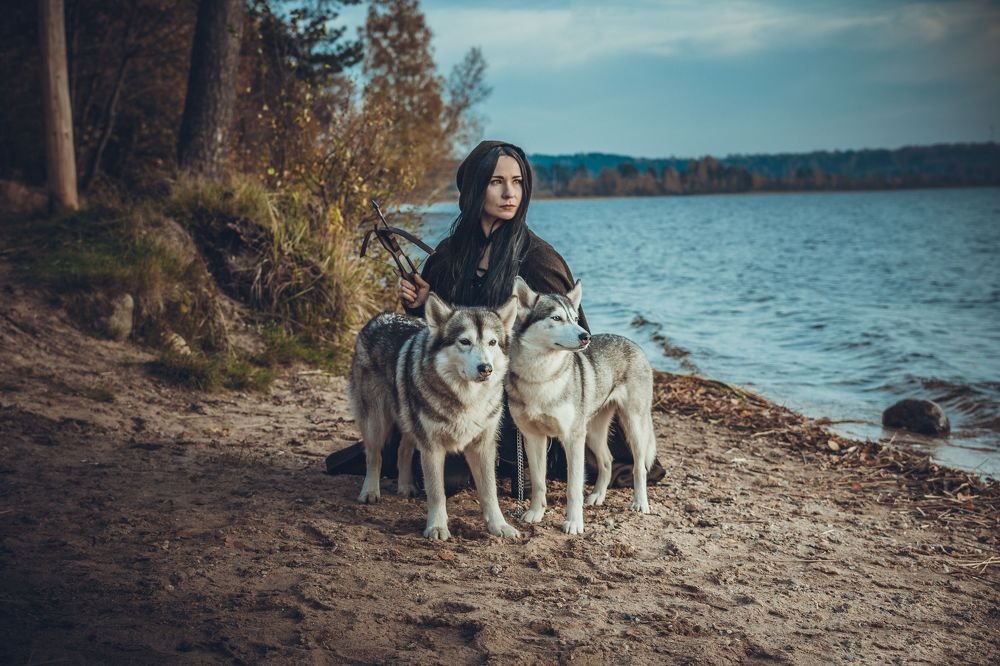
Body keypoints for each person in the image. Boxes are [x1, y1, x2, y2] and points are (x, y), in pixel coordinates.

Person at [327, 140, 664, 495]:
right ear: (475, 188)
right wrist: (420, 303)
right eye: (496, 182)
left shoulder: (539, 261)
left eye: (517, 182)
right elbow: (437, 339)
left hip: (521, 402)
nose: (509, 193)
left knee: (452, 476)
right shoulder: (450, 253)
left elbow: (574, 344)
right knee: (433, 467)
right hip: (458, 394)